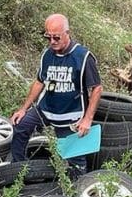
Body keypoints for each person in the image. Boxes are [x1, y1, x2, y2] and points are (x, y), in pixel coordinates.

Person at [10, 14, 103, 175]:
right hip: (46, 109)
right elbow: (39, 82)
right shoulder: (47, 55)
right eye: (49, 37)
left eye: (56, 38)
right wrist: (23, 109)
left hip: (71, 115)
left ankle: (76, 188)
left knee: (75, 158)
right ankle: (18, 171)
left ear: (67, 33)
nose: (52, 42)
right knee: (21, 125)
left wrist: (87, 119)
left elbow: (97, 88)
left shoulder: (83, 57)